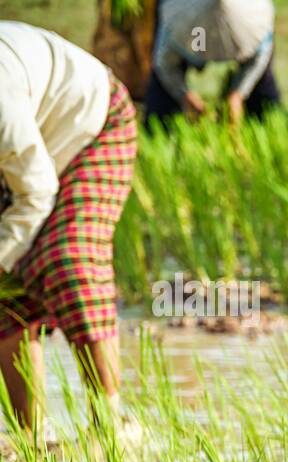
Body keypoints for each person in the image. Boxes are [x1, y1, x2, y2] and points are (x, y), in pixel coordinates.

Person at [0, 21, 137, 431]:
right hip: (24, 158)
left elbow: (37, 191)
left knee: (67, 258)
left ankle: (111, 424)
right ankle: (32, 440)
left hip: (90, 129)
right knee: (6, 299)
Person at [143, 0, 279, 125]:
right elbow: (165, 65)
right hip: (192, 27)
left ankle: (267, 119)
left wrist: (238, 94)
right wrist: (185, 95)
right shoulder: (177, 21)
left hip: (232, 26)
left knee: (263, 98)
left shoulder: (253, 19)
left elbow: (259, 59)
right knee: (161, 101)